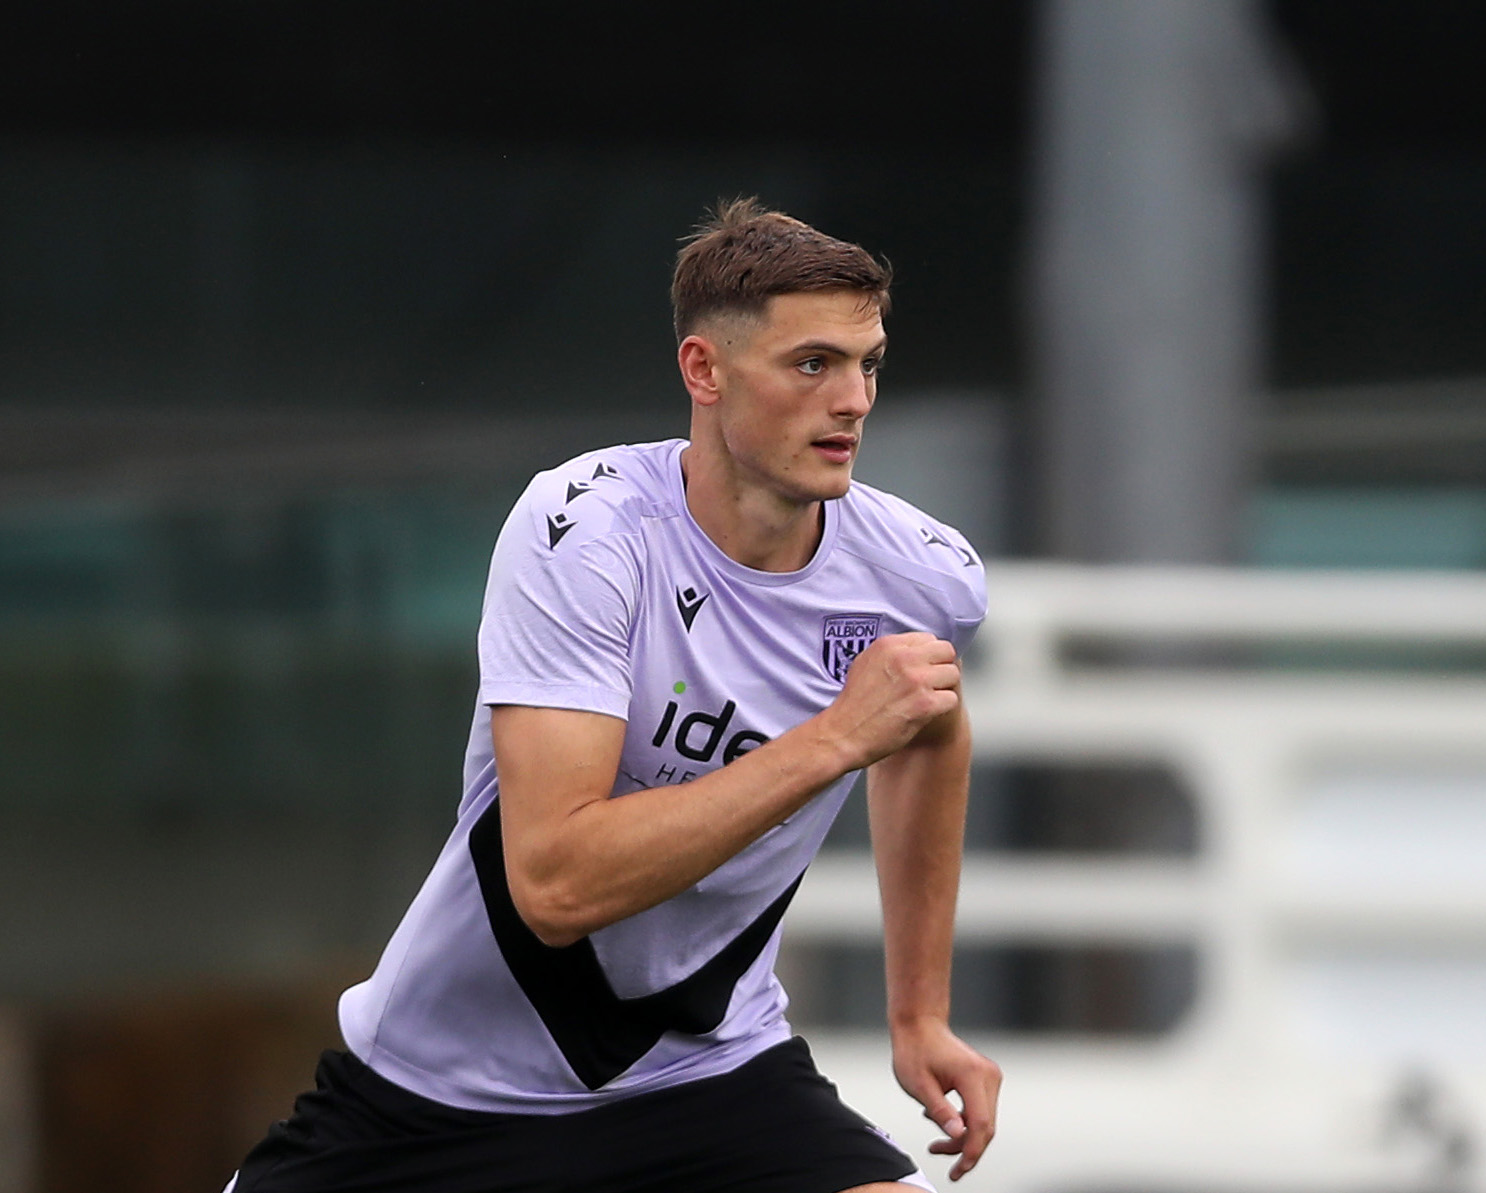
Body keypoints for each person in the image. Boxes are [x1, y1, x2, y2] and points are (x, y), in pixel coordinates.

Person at [225, 198, 1001, 1193]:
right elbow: (553, 886)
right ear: (704, 372)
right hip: (438, 1098)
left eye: (868, 363)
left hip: (707, 1076)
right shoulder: (585, 533)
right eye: (812, 364)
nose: (852, 398)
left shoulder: (922, 571)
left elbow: (927, 729)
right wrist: (836, 737)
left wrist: (918, 1013)